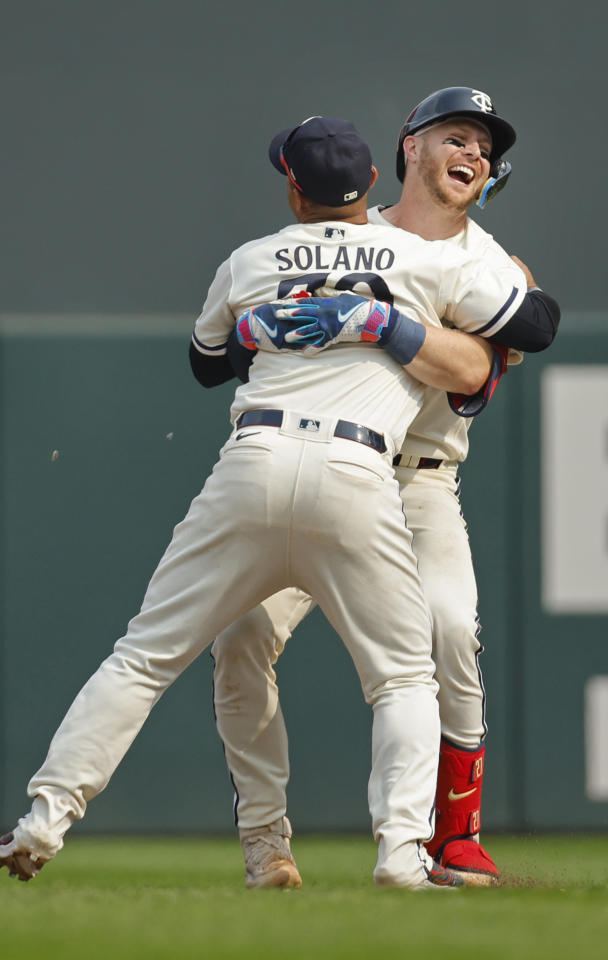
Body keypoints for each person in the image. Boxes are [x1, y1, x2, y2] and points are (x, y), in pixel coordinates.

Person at [0, 115, 548, 891]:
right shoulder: (422, 258)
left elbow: (206, 364)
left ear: (293, 186)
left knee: (143, 658)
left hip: (261, 464)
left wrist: (262, 333)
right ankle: (398, 854)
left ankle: (42, 821)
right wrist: (428, 310)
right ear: (385, 174)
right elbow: (534, 326)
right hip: (359, 471)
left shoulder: (249, 258)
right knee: (399, 679)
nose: (473, 154)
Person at [206, 89, 561, 889]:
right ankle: (266, 840)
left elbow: (478, 372)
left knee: (446, 629)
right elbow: (232, 345)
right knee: (240, 640)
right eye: (454, 136)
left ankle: (455, 834)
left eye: (483, 147)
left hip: (418, 480)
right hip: (315, 465)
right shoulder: (332, 236)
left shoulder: (494, 270)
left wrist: (377, 324)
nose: (472, 153)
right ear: (409, 147)